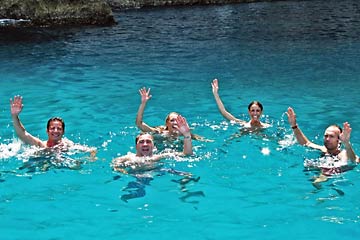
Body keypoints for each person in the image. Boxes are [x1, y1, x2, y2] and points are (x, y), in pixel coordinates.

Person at [286, 107, 358, 185]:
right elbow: (306, 143)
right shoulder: (323, 149)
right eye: (326, 136)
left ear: (339, 139)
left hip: (335, 178)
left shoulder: (343, 153)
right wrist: (294, 125)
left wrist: (346, 143)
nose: (327, 139)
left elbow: (353, 160)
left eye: (331, 136)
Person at [10, 95, 96, 158]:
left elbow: (91, 150)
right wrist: (14, 115)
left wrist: (92, 158)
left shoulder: (67, 145)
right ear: (47, 131)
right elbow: (22, 133)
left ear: (63, 132)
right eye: (52, 128)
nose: (55, 131)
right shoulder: (41, 145)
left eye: (59, 129)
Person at [112, 114, 193, 174]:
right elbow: (114, 165)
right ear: (136, 146)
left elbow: (186, 154)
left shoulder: (158, 157)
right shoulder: (128, 158)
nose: (145, 144)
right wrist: (125, 173)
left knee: (187, 175)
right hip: (135, 176)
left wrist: (187, 135)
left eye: (148, 141)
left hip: (157, 172)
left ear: (153, 146)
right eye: (141, 142)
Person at [135, 87, 208, 141]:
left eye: (177, 120)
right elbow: (139, 124)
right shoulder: (159, 133)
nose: (175, 122)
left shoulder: (185, 134)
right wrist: (143, 103)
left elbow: (204, 140)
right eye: (172, 120)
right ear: (167, 123)